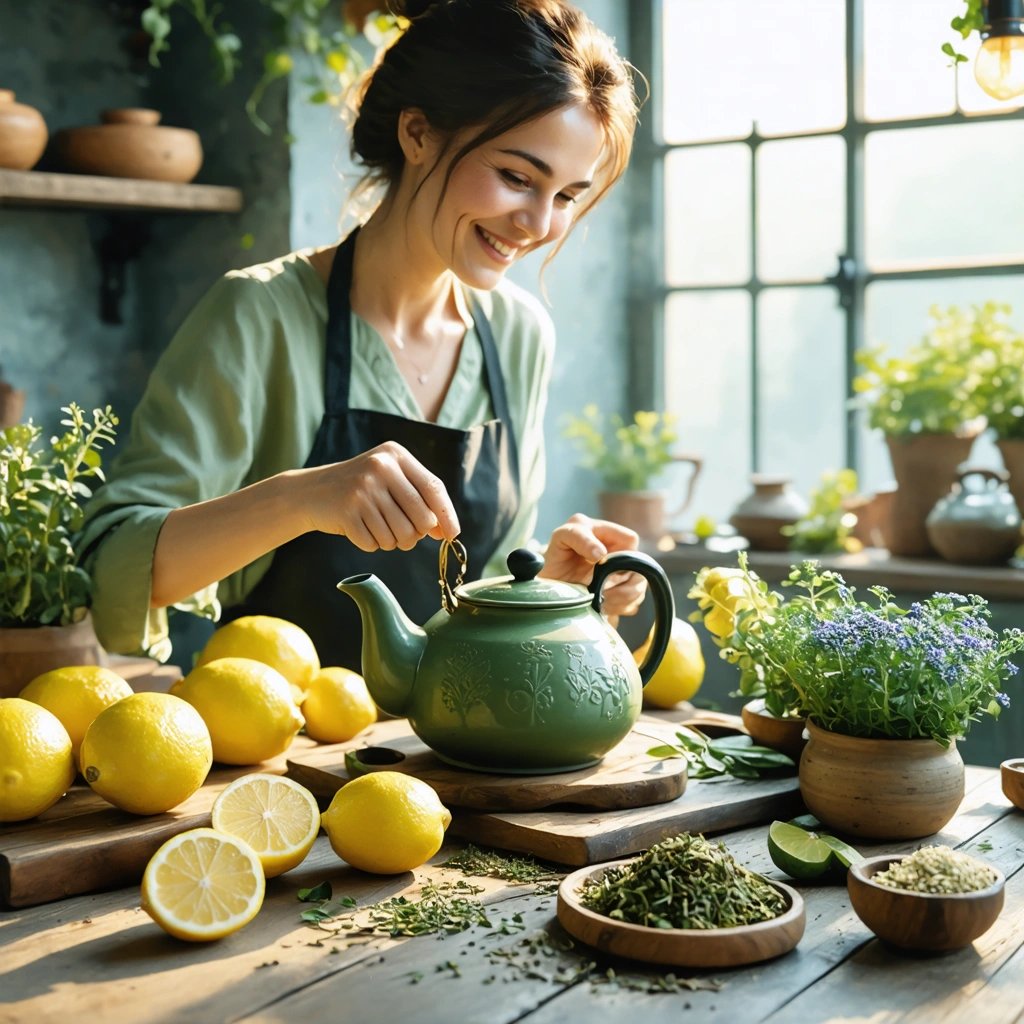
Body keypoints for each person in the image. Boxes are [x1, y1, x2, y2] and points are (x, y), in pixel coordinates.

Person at [79, 0, 647, 671]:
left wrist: (549, 585)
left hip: (449, 759)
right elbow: (109, 567)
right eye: (517, 178)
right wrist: (302, 497)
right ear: (418, 133)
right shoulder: (259, 315)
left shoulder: (521, 336)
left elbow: (472, 600)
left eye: (565, 196)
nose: (538, 224)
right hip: (279, 757)